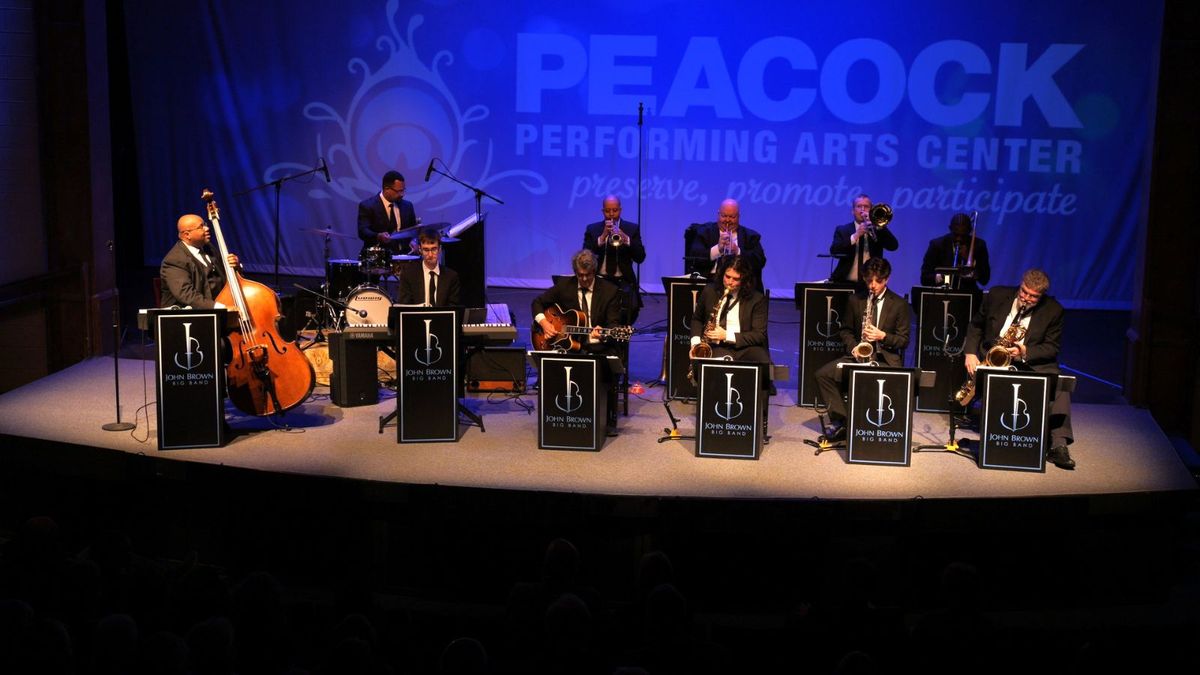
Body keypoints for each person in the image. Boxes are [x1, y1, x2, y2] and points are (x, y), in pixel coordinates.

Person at [963, 268, 1074, 469]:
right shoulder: (996, 295)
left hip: (1030, 363)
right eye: (1024, 292)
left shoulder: (1054, 310)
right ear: (1020, 284)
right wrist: (970, 353)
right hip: (994, 358)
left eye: (1033, 297)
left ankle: (1059, 445)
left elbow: (1052, 347)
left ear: (1042, 296)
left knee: (1059, 386)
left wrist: (1025, 351)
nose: (1026, 298)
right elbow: (976, 326)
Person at [814, 257, 911, 440]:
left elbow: (904, 340)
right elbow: (845, 331)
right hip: (859, 356)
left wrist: (883, 336)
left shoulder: (899, 304)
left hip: (885, 359)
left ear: (887, 279)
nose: (872, 286)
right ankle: (842, 421)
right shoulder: (855, 300)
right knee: (822, 374)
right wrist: (855, 348)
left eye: (878, 281)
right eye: (869, 281)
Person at [532, 250, 623, 433]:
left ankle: (609, 418)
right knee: (551, 362)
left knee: (608, 359)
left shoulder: (609, 291)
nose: (584, 280)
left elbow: (613, 324)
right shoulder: (564, 285)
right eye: (580, 275)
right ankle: (557, 415)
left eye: (587, 276)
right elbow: (537, 302)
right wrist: (544, 323)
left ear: (594, 271)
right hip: (568, 343)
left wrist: (603, 333)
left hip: (597, 343)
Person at [688, 255, 770, 364]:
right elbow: (697, 319)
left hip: (746, 347)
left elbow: (759, 335)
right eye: (727, 276)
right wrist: (696, 344)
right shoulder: (709, 291)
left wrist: (726, 335)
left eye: (736, 279)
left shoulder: (757, 299)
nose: (729, 282)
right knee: (720, 365)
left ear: (744, 280)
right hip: (718, 347)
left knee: (764, 362)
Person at [582, 195, 646, 324]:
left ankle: (622, 337)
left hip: (623, 281)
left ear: (620, 210)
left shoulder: (631, 229)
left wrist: (626, 239)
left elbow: (640, 257)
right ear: (603, 211)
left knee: (631, 311)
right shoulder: (592, 229)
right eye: (607, 210)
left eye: (615, 210)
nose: (611, 214)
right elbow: (585, 257)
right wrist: (602, 237)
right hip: (600, 279)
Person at [159, 213, 240, 309]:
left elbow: (225, 277)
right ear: (187, 235)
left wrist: (235, 266)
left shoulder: (209, 248)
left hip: (219, 307)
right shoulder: (174, 260)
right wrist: (220, 307)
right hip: (189, 316)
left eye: (205, 224)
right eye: (201, 227)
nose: (207, 228)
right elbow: (186, 295)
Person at [685, 199, 766, 281]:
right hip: (709, 281)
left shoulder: (751, 236)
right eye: (724, 216)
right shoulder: (704, 232)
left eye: (732, 217)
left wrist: (737, 251)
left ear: (738, 216)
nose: (727, 220)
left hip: (740, 282)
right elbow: (694, 257)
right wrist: (718, 249)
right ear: (718, 214)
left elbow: (760, 262)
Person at [829, 194, 899, 285]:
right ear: (853, 211)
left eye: (866, 206)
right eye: (859, 206)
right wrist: (856, 235)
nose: (862, 210)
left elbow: (893, 246)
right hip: (846, 283)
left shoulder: (878, 230)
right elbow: (834, 251)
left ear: (871, 210)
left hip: (872, 284)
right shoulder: (842, 230)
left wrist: (879, 227)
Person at [920, 212, 990, 291]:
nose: (959, 239)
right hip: (942, 292)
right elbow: (924, 278)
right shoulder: (937, 245)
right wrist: (940, 276)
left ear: (970, 231)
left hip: (968, 293)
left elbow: (985, 279)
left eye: (963, 235)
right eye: (956, 235)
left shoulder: (979, 245)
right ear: (950, 229)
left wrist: (968, 258)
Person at [357, 170, 418, 255]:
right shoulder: (368, 206)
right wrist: (378, 236)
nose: (402, 194)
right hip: (378, 257)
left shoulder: (407, 206)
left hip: (404, 257)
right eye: (399, 191)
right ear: (387, 189)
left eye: (403, 190)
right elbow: (363, 231)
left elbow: (414, 230)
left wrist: (414, 241)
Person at [396, 228, 460, 306]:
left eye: (434, 249)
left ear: (440, 249)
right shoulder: (408, 275)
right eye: (426, 250)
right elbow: (403, 307)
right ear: (420, 250)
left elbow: (453, 310)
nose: (430, 255)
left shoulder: (451, 277)